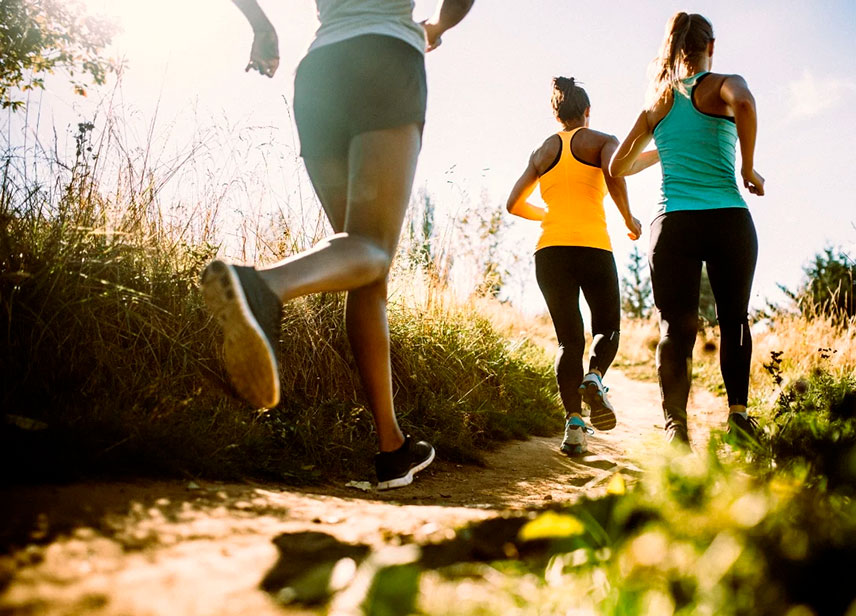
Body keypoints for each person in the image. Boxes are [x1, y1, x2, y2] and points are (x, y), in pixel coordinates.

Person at [202, 0, 474, 489]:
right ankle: (262, 286)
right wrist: (439, 26)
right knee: (372, 246)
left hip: (321, 73)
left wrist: (262, 28)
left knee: (363, 262)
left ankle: (392, 448)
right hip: (385, 59)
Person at [610, 12, 765, 446]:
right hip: (727, 218)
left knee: (674, 328)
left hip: (673, 222)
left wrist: (663, 149)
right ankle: (738, 418)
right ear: (709, 46)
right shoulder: (723, 84)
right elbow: (746, 106)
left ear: (675, 50)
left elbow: (617, 165)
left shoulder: (657, 103)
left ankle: (676, 428)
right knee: (733, 319)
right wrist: (748, 168)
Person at [506, 77, 643, 455]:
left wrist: (547, 213)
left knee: (569, 340)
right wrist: (629, 220)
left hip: (549, 251)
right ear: (586, 111)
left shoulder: (542, 151)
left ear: (556, 115)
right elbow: (614, 176)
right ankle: (595, 378)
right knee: (607, 328)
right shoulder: (601, 140)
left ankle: (574, 427)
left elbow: (513, 204)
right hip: (593, 247)